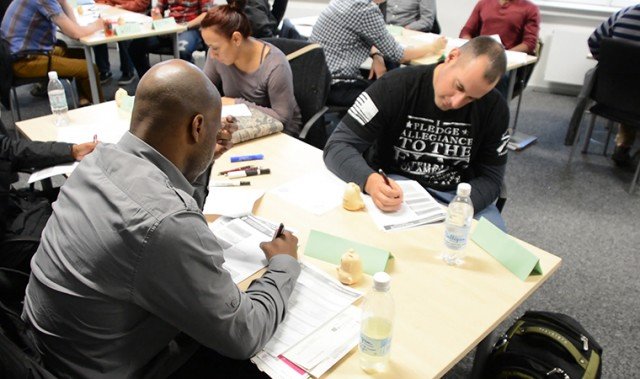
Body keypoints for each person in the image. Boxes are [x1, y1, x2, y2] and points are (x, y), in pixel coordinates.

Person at [21, 59, 300, 378]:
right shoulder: (165, 222)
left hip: (52, 353)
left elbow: (168, 201)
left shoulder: (97, 161)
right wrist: (285, 264)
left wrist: (202, 156)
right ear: (197, 127)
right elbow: (245, 334)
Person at [324, 36, 510, 230]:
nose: (456, 102)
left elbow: (492, 178)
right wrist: (370, 181)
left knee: (493, 256)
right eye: (458, 87)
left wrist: (461, 206)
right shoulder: (395, 86)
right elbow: (338, 145)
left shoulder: (494, 107)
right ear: (452, 57)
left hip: (457, 197)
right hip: (397, 190)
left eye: (471, 98)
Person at [0, 117, 97, 273]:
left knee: (87, 192)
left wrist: (71, 151)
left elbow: (8, 149)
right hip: (12, 239)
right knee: (93, 220)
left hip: (16, 206)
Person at [309, 0, 446, 107]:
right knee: (399, 96)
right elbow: (399, 55)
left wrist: (377, 55)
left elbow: (355, 34)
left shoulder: (342, 2)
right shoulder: (366, 10)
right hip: (339, 85)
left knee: (384, 81)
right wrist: (433, 47)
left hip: (316, 81)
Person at [201, 0, 302, 136]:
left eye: (215, 48)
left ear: (236, 39)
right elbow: (203, 93)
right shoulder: (216, 56)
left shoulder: (275, 64)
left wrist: (236, 103)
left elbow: (283, 118)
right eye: (209, 47)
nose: (212, 54)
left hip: (280, 132)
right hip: (243, 124)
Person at [0, 0, 105, 105]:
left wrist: (63, 2)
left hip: (20, 54)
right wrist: (98, 25)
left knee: (81, 55)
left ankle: (85, 101)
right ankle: (101, 108)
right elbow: (75, 33)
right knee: (89, 68)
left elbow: (74, 27)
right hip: (22, 61)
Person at [586, 4, 640, 167]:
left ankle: (623, 145)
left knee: (631, 92)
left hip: (608, 95)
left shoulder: (624, 14)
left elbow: (594, 42)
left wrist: (610, 66)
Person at [460, 0, 540, 97]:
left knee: (497, 77)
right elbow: (466, 31)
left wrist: (501, 54)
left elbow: (529, 43)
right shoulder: (484, 3)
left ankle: (496, 109)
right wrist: (472, 47)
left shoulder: (529, 9)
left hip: (507, 60)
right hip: (481, 54)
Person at [128, 0, 213, 78]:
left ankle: (189, 82)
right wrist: (159, 21)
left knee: (182, 51)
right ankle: (148, 79)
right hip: (170, 26)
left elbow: (207, 13)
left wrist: (185, 26)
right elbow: (158, 9)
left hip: (190, 27)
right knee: (135, 47)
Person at [92, 0, 150, 85]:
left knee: (123, 34)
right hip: (111, 12)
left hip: (131, 14)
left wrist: (124, 6)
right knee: (96, 32)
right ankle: (103, 70)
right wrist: (104, 6)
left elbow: (143, 2)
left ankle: (127, 70)